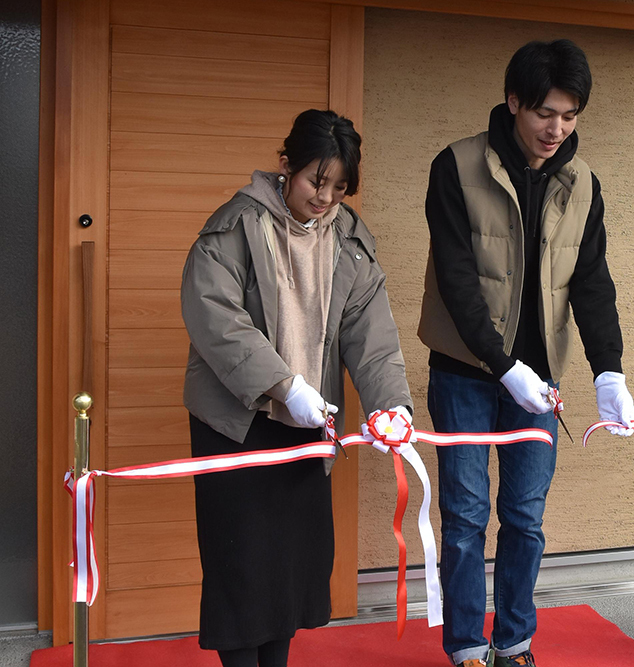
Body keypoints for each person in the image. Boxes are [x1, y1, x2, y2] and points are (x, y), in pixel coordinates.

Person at [418, 39, 634, 667]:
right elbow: (457, 282)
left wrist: (609, 370)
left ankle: (513, 643)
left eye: (570, 116)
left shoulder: (584, 181)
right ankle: (465, 647)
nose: (556, 129)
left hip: (540, 384)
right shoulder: (456, 166)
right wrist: (501, 364)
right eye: (545, 113)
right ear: (513, 101)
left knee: (524, 518)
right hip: (464, 370)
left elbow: (591, 282)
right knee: (464, 518)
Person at [180, 109, 411, 667]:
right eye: (315, 179)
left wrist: (392, 407)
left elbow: (371, 335)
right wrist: (283, 383)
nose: (325, 196)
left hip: (308, 421)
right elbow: (214, 314)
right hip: (237, 420)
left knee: (288, 565)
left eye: (338, 186)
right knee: (240, 563)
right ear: (286, 166)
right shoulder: (234, 224)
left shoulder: (351, 240)